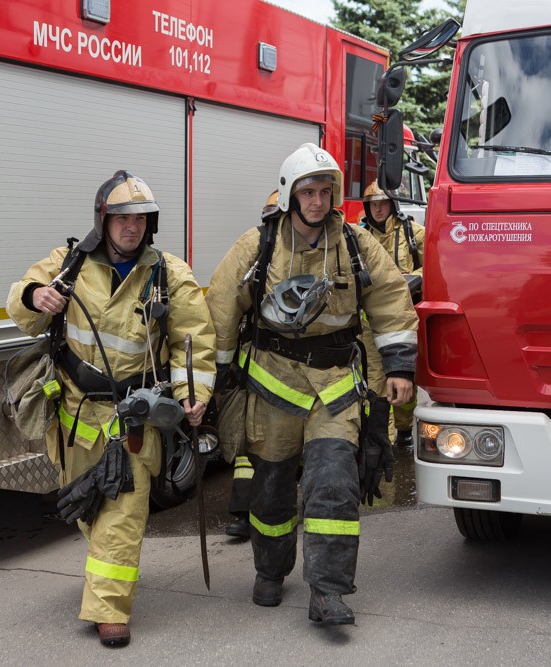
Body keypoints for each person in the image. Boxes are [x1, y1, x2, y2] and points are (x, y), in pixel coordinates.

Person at [206, 144, 417, 625]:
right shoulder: (258, 246)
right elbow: (221, 308)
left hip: (334, 389)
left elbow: (390, 301)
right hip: (272, 388)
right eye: (308, 192)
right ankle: (270, 571)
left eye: (325, 191)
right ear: (289, 195)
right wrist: (216, 381)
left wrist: (400, 367)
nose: (318, 201)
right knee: (271, 491)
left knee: (334, 486)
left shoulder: (355, 245)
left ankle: (328, 591)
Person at [5, 170, 216, 647]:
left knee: (123, 511)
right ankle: (106, 570)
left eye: (140, 219)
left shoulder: (168, 274)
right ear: (103, 220)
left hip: (133, 419)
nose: (131, 227)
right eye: (122, 218)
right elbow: (21, 300)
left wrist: (194, 393)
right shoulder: (69, 263)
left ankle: (108, 609)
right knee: (88, 507)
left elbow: (194, 341)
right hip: (76, 417)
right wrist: (36, 296)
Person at [222, 190, 283, 542]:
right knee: (248, 442)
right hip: (255, 364)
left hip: (297, 371)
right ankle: (244, 513)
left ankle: (286, 508)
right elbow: (227, 307)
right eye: (270, 218)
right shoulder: (255, 253)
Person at [359, 181, 425, 447]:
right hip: (367, 324)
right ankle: (381, 443)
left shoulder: (412, 232)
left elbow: (435, 262)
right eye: (373, 204)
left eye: (383, 203)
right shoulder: (358, 236)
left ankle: (404, 428)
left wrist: (412, 280)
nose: (378, 209)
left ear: (393, 204)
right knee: (375, 381)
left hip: (402, 319)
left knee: (404, 375)